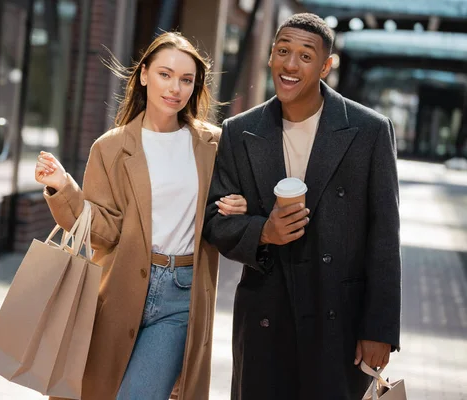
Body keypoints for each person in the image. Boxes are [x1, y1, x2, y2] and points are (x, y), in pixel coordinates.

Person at [35, 32, 248, 400]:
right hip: (118, 289)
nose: (175, 88)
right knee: (96, 391)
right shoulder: (111, 147)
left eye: (186, 80)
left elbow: (227, 213)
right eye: (165, 74)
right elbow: (103, 232)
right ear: (144, 74)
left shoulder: (214, 145)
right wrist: (63, 189)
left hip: (182, 295)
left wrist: (240, 207)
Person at [203, 13, 401, 400]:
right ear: (271, 57)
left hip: (338, 317)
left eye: (305, 56)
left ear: (326, 66)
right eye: (282, 51)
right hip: (266, 314)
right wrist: (263, 231)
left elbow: (384, 236)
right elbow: (214, 219)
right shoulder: (240, 131)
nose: (290, 65)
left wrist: (379, 329)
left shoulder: (369, 131)